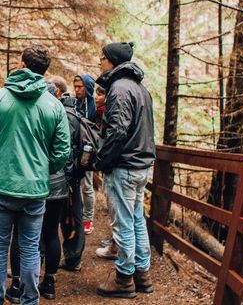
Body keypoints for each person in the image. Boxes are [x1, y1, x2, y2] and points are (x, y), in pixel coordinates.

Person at [0, 45, 71, 305]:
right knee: (29, 248)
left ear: (22, 64)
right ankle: (30, 301)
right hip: (35, 190)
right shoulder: (54, 105)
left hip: (0, 186)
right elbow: (62, 152)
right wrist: (41, 169)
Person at [94, 42, 156, 299]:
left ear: (112, 61)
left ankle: (124, 278)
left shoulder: (119, 89)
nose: (100, 62)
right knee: (137, 220)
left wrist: (102, 160)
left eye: (102, 58)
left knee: (124, 223)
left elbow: (117, 131)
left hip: (125, 166)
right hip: (141, 166)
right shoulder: (141, 89)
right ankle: (143, 274)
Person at [5, 81, 72, 302]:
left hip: (31, 183)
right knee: (51, 233)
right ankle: (49, 283)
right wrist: (54, 171)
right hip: (56, 184)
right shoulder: (59, 113)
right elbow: (65, 151)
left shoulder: (31, 113)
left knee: (20, 234)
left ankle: (16, 284)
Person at [48, 76, 85, 273]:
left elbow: (67, 149)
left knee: (70, 216)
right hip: (68, 174)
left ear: (58, 92)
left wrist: (69, 179)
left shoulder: (66, 114)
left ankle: (73, 258)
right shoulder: (67, 111)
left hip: (67, 176)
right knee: (65, 217)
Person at [73, 73, 97, 235]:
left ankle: (88, 219)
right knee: (75, 184)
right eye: (75, 86)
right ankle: (77, 217)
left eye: (80, 87)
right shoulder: (74, 103)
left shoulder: (93, 106)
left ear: (87, 87)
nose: (76, 90)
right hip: (75, 149)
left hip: (88, 150)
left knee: (87, 186)